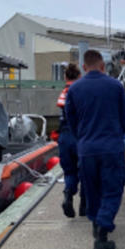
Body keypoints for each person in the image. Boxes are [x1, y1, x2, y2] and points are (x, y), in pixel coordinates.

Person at [65, 50, 125, 249]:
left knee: (92, 189)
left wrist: (83, 139)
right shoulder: (116, 86)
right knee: (113, 188)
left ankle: (95, 222)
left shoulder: (74, 90)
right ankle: (102, 232)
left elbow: (71, 121)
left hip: (86, 148)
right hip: (111, 147)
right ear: (103, 66)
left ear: (84, 67)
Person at [56, 63, 85, 218]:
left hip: (65, 135)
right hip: (80, 135)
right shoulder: (81, 91)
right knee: (85, 170)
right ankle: (84, 205)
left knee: (69, 171)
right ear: (79, 76)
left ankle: (68, 194)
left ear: (66, 77)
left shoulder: (64, 92)